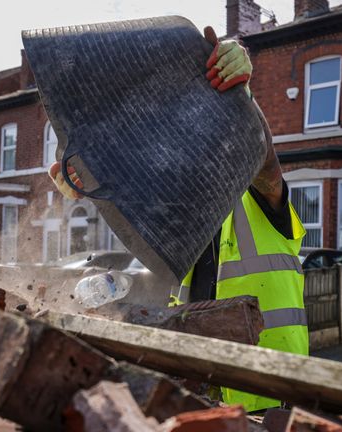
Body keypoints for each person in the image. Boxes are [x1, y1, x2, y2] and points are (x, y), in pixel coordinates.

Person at [48, 27, 307, 413]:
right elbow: (154, 286)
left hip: (271, 395)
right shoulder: (180, 220)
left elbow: (263, 160)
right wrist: (89, 178)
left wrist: (243, 99)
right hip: (201, 395)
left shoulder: (260, 199)